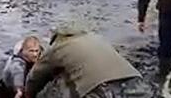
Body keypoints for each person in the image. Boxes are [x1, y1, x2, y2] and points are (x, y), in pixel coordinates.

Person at [24, 24, 154, 97]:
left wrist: (28, 94)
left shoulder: (59, 47)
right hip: (134, 79)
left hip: (100, 89)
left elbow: (35, 77)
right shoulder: (96, 38)